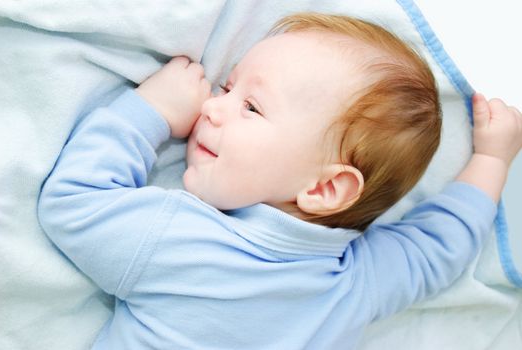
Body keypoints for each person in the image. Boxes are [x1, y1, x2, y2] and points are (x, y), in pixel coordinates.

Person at [38, 13, 522, 350]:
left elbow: (73, 203)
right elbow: (441, 247)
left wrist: (151, 113)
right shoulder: (358, 283)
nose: (212, 105)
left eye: (251, 107)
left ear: (325, 189)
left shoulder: (179, 239)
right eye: (229, 88)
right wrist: (493, 160)